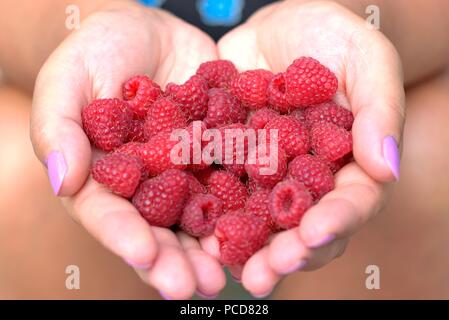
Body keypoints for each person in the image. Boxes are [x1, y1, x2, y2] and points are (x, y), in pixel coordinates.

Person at [0, 0, 448, 299]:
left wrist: (356, 15)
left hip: (296, 45)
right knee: (10, 155)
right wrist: (75, 28)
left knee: (432, 147)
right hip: (141, 50)